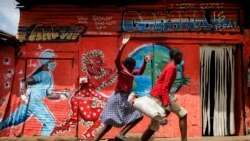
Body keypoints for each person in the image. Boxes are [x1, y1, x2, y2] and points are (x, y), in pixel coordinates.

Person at [93, 35, 152, 141]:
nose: (134, 68)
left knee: (108, 126)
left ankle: (100, 139)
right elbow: (116, 60)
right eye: (133, 66)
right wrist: (123, 46)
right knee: (138, 115)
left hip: (118, 98)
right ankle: (121, 134)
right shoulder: (122, 69)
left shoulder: (130, 72)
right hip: (118, 98)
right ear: (129, 65)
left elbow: (140, 72)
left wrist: (145, 62)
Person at [0, 50, 68, 136]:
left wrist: (63, 95)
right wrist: (23, 96)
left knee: (10, 121)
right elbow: (24, 81)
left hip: (30, 102)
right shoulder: (44, 74)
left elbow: (49, 95)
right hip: (34, 102)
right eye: (52, 59)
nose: (54, 62)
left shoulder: (48, 75)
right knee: (50, 123)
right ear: (47, 61)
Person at [141, 48, 188, 141]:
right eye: (180, 57)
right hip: (159, 97)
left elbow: (164, 85)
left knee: (154, 126)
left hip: (157, 95)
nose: (181, 59)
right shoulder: (172, 67)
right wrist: (166, 104)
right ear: (176, 57)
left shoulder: (170, 66)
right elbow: (165, 87)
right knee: (183, 114)